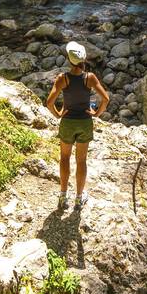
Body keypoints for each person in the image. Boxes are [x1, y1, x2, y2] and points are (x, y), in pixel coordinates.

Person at [46, 40, 109, 212]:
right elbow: (106, 99)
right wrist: (96, 114)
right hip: (84, 122)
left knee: (64, 158)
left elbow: (49, 102)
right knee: (81, 160)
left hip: (67, 123)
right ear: (83, 60)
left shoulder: (63, 78)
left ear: (68, 59)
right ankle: (79, 199)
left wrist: (59, 114)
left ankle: (62, 196)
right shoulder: (89, 78)